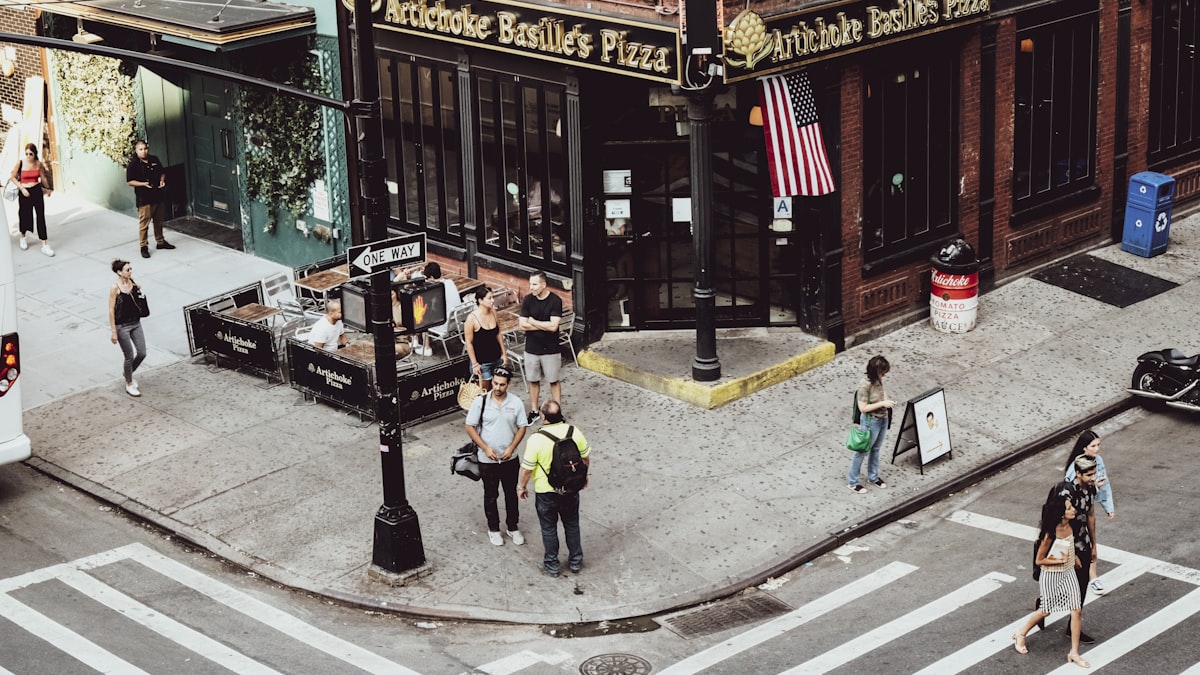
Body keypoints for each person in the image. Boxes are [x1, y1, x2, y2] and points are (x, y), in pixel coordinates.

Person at [1011, 496, 1090, 669]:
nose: (1073, 510)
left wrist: (1074, 557)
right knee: (1046, 611)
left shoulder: (1072, 525)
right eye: (1069, 508)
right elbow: (1040, 560)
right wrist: (1059, 561)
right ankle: (1021, 633)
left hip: (1068, 573)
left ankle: (1074, 653)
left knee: (1076, 610)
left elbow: (1069, 545)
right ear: (1061, 514)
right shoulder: (1050, 534)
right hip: (1051, 576)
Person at [518, 400, 590, 576]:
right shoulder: (574, 431)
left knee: (549, 528)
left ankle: (552, 564)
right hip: (571, 489)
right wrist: (583, 477)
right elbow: (585, 458)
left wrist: (522, 487)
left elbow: (527, 470)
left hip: (546, 492)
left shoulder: (536, 439)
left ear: (543, 417)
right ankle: (575, 561)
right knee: (572, 525)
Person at [465, 367, 528, 546]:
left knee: (511, 494)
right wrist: (484, 448)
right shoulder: (481, 402)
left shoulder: (516, 403)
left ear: (508, 384)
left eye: (502, 384)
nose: (498, 387)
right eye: (495, 383)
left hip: (510, 458)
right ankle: (493, 528)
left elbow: (522, 427)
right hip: (488, 460)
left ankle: (512, 527)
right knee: (491, 494)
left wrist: (512, 447)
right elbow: (470, 426)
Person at [1055, 455, 1100, 645]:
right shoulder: (1067, 492)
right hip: (1066, 544)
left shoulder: (1090, 489)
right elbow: (1061, 525)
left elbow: (1090, 515)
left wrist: (1094, 544)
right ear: (1079, 473)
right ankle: (1043, 605)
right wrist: (1072, 553)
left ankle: (1072, 626)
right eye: (1089, 474)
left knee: (1081, 586)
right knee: (1060, 582)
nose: (1093, 477)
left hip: (1083, 543)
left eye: (1094, 473)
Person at [1064, 430, 1114, 596]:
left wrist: (1108, 506)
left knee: (1088, 547)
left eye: (1098, 445)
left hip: (1085, 513)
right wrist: (1095, 487)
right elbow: (1070, 493)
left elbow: (1104, 484)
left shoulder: (1098, 461)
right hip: (1070, 518)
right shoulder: (1074, 469)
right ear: (1084, 448)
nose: (1097, 449)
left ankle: (1092, 577)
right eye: (1093, 446)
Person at [518, 270, 563, 422]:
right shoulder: (528, 300)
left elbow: (553, 327)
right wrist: (543, 325)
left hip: (550, 349)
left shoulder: (555, 301)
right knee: (533, 380)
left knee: (553, 380)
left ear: (544, 285)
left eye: (535, 284)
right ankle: (534, 410)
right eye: (530, 283)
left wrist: (533, 322)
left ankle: (557, 411)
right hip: (532, 348)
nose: (531, 287)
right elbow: (522, 325)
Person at [848, 355, 895, 494]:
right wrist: (882, 404)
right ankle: (853, 481)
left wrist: (887, 401)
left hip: (882, 418)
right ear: (875, 372)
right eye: (882, 373)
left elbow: (882, 392)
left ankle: (873, 477)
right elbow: (863, 408)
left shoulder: (878, 381)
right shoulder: (864, 386)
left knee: (876, 449)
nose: (884, 376)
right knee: (862, 451)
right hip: (871, 421)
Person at [125, 140, 176, 259]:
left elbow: (162, 172)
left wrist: (162, 180)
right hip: (144, 198)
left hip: (157, 195)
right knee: (144, 224)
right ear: (136, 150)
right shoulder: (133, 164)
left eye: (145, 149)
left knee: (159, 221)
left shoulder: (154, 159)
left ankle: (160, 242)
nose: (144, 151)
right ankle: (143, 246)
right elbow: (130, 181)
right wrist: (143, 184)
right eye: (141, 149)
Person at [107, 259, 147, 397]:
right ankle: (129, 383)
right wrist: (113, 332)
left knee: (142, 353)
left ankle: (127, 372)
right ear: (119, 272)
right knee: (128, 356)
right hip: (122, 326)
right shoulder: (115, 288)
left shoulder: (132, 282)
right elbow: (111, 310)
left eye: (130, 269)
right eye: (127, 270)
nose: (130, 272)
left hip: (136, 322)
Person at [11, 143, 53, 256]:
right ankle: (23, 237)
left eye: (31, 154)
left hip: (36, 190)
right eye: (27, 154)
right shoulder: (20, 163)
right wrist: (21, 188)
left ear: (35, 154)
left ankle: (44, 244)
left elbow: (43, 177)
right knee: (24, 215)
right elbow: (12, 177)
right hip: (24, 191)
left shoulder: (38, 164)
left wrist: (48, 188)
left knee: (40, 216)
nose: (29, 156)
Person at [464, 286, 509, 391]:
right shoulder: (472, 319)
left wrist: (504, 354)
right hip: (482, 363)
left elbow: (498, 333)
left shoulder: (493, 312)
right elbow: (469, 342)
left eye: (493, 297)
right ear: (480, 300)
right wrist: (475, 364)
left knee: (498, 390)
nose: (492, 301)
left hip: (497, 359)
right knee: (484, 393)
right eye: (489, 298)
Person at [414, 262, 460, 356]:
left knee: (422, 314)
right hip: (457, 322)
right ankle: (419, 340)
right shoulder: (450, 282)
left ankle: (427, 347)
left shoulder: (436, 290)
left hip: (445, 325)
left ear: (431, 277)